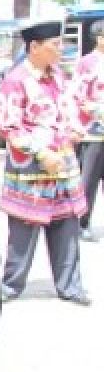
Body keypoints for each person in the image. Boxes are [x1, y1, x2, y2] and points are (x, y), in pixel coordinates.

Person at [0, 20, 90, 305]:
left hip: (63, 167)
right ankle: (11, 285)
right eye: (55, 45)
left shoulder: (60, 77)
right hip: (32, 171)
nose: (60, 50)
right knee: (23, 233)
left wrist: (75, 129)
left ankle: (70, 287)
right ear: (34, 47)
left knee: (67, 227)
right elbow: (8, 125)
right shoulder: (15, 81)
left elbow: (71, 109)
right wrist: (41, 152)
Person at [73, 19, 104, 240]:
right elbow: (77, 95)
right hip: (94, 130)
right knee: (89, 179)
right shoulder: (86, 63)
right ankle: (82, 223)